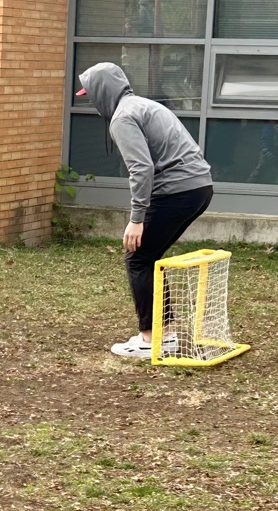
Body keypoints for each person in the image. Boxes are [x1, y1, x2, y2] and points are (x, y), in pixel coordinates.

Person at [77, 62, 213, 360]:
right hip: (198, 188)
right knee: (149, 258)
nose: (92, 102)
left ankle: (152, 339)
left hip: (178, 192)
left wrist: (136, 219)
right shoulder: (143, 105)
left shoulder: (123, 118)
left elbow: (141, 168)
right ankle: (164, 334)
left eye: (92, 95)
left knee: (137, 258)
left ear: (103, 92)